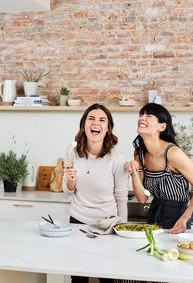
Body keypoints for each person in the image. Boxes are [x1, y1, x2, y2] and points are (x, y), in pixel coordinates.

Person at [62, 103, 129, 283]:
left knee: (106, 277)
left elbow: (122, 199)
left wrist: (122, 230)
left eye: (102, 120)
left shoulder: (117, 158)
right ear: (84, 125)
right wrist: (71, 180)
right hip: (78, 223)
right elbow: (67, 192)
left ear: (108, 129)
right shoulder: (73, 153)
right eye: (91, 118)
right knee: (78, 277)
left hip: (107, 226)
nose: (96, 123)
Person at [125, 103, 193, 234]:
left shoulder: (173, 154)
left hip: (179, 220)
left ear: (162, 127)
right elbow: (142, 199)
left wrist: (185, 218)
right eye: (141, 115)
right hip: (154, 216)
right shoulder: (140, 153)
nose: (142, 118)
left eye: (149, 115)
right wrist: (134, 172)